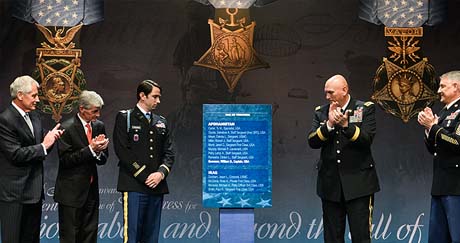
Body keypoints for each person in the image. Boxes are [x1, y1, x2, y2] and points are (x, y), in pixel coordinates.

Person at [307, 74, 380, 243]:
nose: (327, 97)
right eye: (326, 93)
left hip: (359, 184)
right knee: (332, 238)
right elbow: (312, 141)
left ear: (345, 90)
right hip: (330, 185)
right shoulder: (321, 112)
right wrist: (329, 125)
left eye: (331, 92)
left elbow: (366, 140)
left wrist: (347, 126)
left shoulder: (364, 108)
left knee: (361, 237)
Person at [0, 75, 63, 243]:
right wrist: (44, 145)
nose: (37, 100)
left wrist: (49, 142)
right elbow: (15, 155)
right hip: (15, 195)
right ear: (20, 95)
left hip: (34, 193)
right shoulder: (5, 120)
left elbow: (40, 151)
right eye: (34, 95)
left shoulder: (35, 116)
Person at [113, 80, 174, 243]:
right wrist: (145, 175)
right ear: (142, 95)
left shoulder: (161, 121)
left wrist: (160, 174)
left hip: (157, 185)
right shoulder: (125, 117)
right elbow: (122, 151)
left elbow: (169, 152)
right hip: (134, 184)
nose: (158, 101)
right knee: (132, 235)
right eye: (155, 97)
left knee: (151, 236)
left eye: (159, 97)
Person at [54, 90, 109, 243]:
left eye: (99, 111)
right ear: (82, 109)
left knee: (90, 235)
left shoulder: (99, 126)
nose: (98, 115)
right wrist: (91, 149)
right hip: (70, 194)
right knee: (71, 237)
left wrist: (99, 152)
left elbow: (103, 159)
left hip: (91, 192)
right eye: (94, 111)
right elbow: (65, 160)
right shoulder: (67, 128)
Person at [417, 70, 460, 243]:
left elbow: (458, 143)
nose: (438, 91)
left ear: (456, 86)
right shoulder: (443, 113)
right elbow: (434, 148)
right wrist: (428, 128)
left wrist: (433, 127)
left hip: (457, 187)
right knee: (437, 238)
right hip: (441, 185)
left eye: (442, 86)